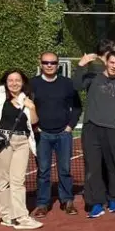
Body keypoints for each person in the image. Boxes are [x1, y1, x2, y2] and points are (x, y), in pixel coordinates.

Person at [0, 70, 42, 230]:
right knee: (3, 180)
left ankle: (21, 217)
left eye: (17, 80)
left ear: (23, 82)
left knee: (18, 180)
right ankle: (6, 216)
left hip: (23, 141)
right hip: (1, 141)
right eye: (10, 80)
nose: (14, 83)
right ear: (5, 82)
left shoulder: (27, 98)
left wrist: (32, 107)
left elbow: (34, 122)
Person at [75, 47, 115, 218]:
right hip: (91, 129)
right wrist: (81, 65)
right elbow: (76, 86)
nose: (114, 66)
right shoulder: (93, 79)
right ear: (106, 63)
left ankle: (114, 199)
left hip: (114, 130)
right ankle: (96, 203)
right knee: (93, 167)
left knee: (114, 166)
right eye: (112, 62)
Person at [30, 52, 82, 217]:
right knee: (43, 171)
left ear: (58, 65)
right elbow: (26, 106)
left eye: (52, 63)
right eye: (46, 62)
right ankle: (42, 204)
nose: (49, 65)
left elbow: (77, 107)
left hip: (63, 134)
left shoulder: (67, 83)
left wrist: (70, 126)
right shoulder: (32, 84)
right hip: (42, 135)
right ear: (40, 64)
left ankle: (67, 201)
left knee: (65, 170)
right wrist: (35, 127)